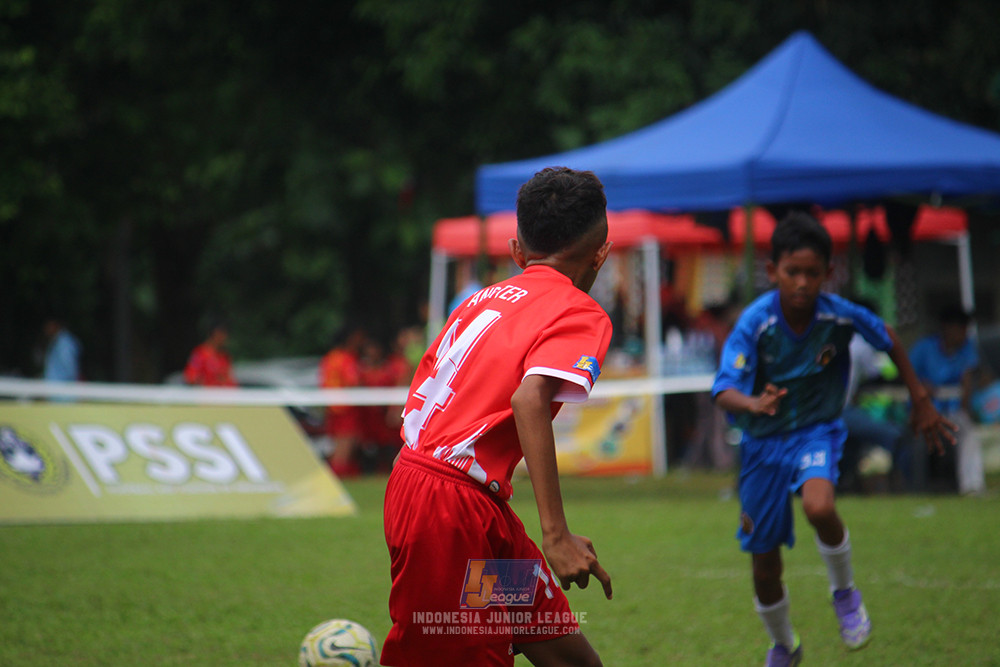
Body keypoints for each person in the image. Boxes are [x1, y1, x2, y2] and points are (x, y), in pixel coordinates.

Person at [382, 167, 614, 667]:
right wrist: (556, 535)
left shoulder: (478, 300)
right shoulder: (578, 310)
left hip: (453, 499)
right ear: (601, 254)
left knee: (570, 658)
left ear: (516, 251)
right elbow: (529, 400)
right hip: (449, 512)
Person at [711, 212, 956, 666]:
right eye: (793, 272)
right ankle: (784, 645)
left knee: (820, 507)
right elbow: (723, 388)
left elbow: (887, 336)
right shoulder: (755, 322)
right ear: (773, 272)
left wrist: (920, 399)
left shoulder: (837, 314)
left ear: (828, 272)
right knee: (764, 566)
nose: (803, 283)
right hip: (762, 446)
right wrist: (753, 403)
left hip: (815, 431)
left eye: (812, 273)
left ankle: (844, 593)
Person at [909, 306, 986, 495]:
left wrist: (966, 411)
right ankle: (915, 489)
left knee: (967, 432)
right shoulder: (924, 348)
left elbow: (968, 381)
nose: (963, 333)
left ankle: (972, 487)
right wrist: (921, 387)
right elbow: (908, 377)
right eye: (960, 328)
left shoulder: (967, 348)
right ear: (947, 328)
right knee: (915, 442)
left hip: (952, 413)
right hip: (924, 412)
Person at [318, 326, 366, 478]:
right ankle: (337, 477)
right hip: (346, 409)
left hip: (331, 408)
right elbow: (353, 382)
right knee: (344, 448)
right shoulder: (347, 359)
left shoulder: (329, 358)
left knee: (336, 447)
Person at [183, 322, 237, 387]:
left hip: (221, 392)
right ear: (213, 334)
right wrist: (208, 380)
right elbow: (190, 377)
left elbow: (229, 380)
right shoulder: (200, 354)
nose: (224, 338)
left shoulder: (224, 356)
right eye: (222, 334)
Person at [42, 317, 82, 383]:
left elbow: (69, 365)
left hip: (63, 385)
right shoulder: (56, 341)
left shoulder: (65, 342)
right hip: (56, 385)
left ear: (55, 325)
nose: (46, 329)